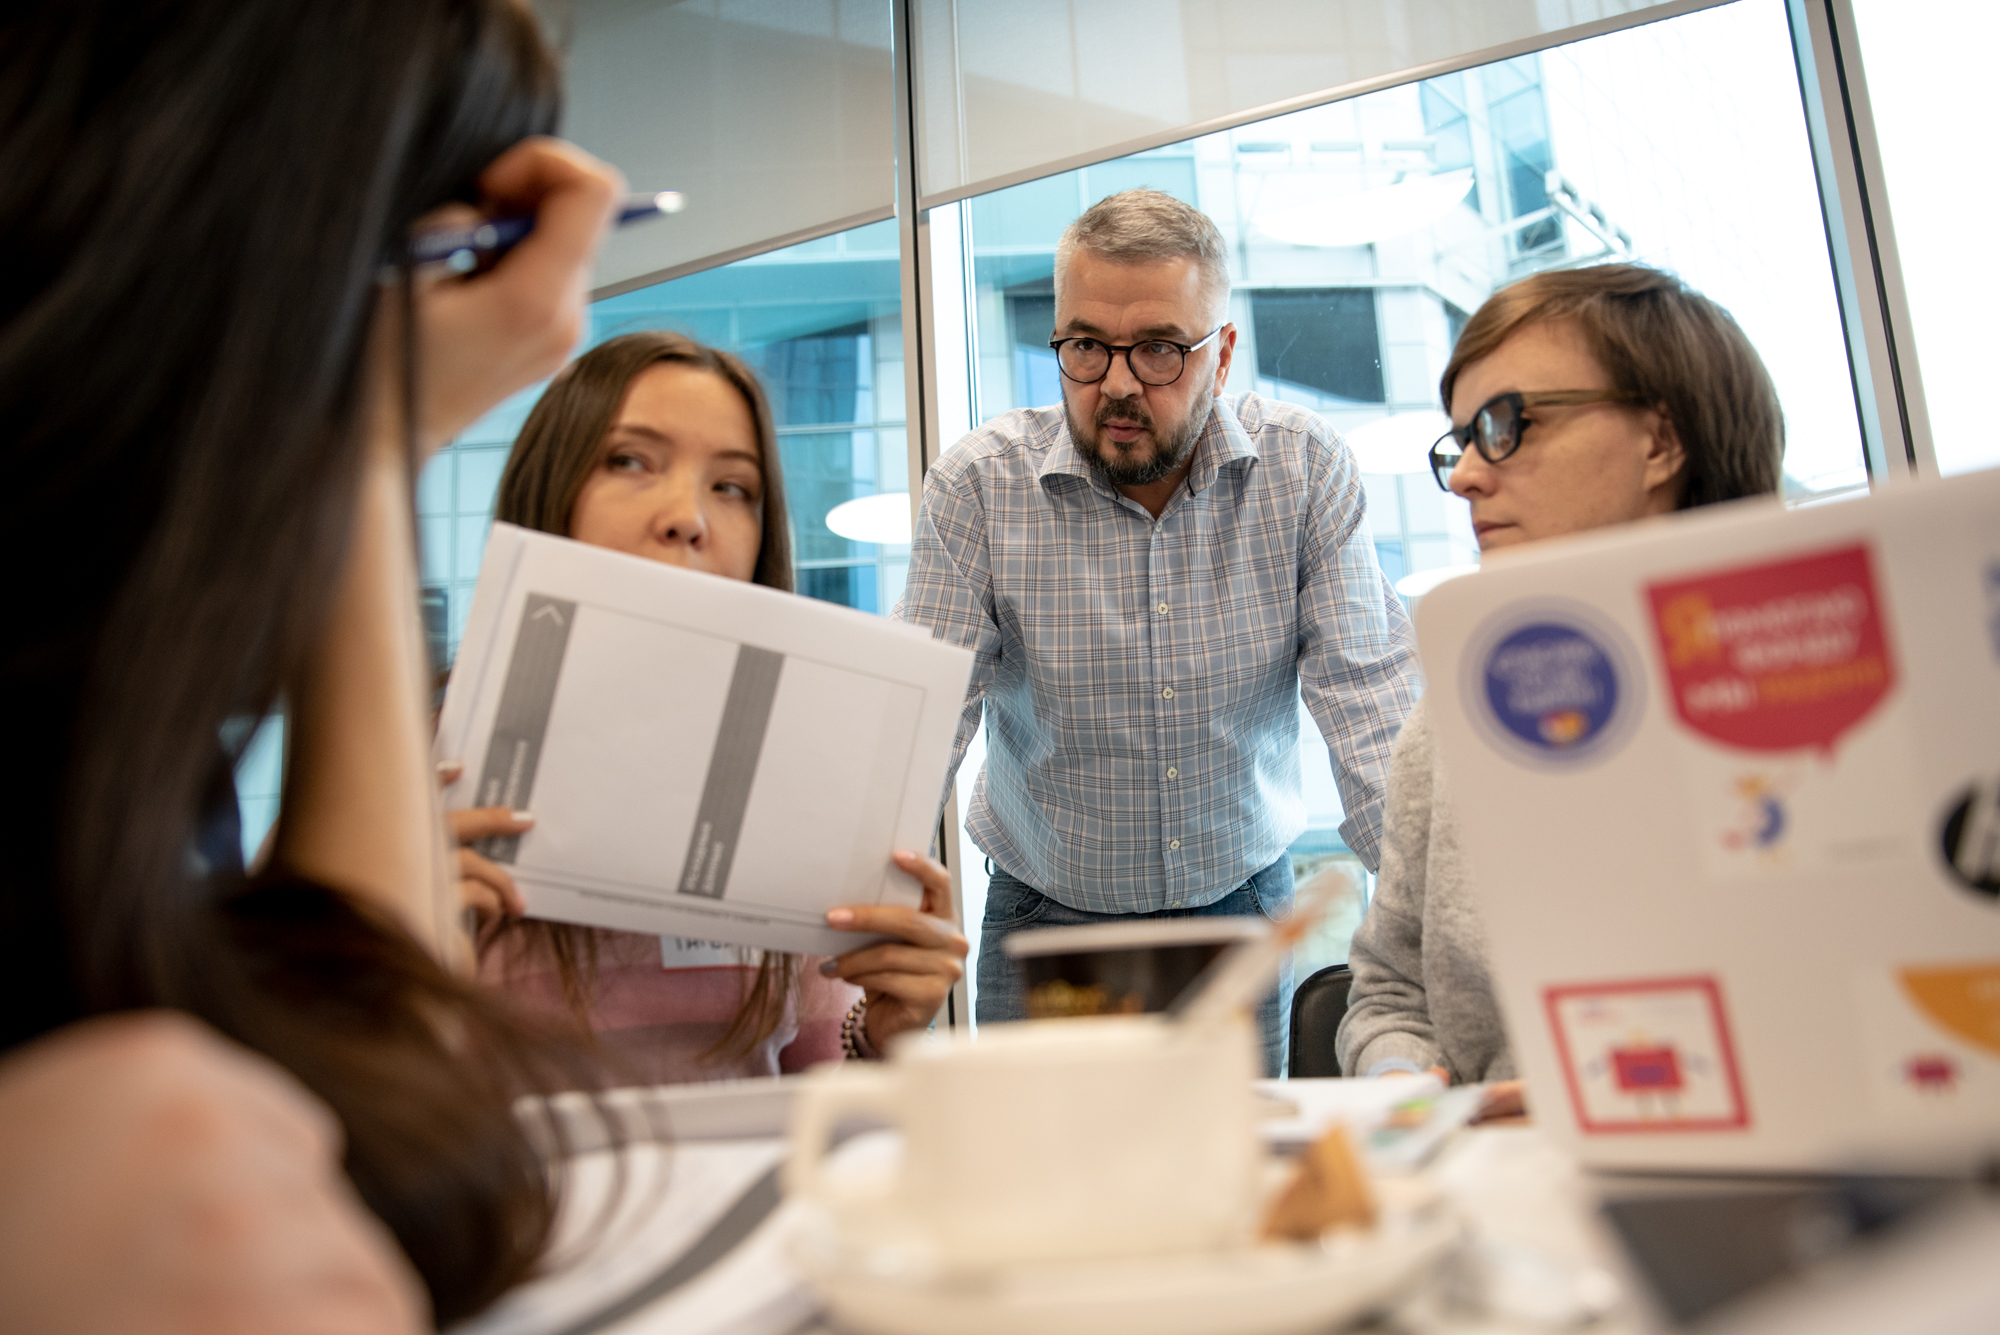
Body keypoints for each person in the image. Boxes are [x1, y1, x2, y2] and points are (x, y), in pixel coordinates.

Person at [0, 2, 629, 1328]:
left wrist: (362, 427)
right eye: (435, 255)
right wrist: (362, 428)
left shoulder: (112, 776)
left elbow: (370, 1120)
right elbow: (378, 1171)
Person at [895, 189, 1421, 1072]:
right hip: (1048, 918)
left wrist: (1445, 931)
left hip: (1237, 911)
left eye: (1160, 350)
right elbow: (914, 734)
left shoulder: (1303, 470)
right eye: (1086, 346)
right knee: (1044, 1192)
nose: (1118, 383)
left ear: (1221, 356)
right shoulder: (979, 488)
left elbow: (1373, 716)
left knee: (1228, 1186)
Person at [454, 331, 968, 1081]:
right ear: (550, 485)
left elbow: (816, 1081)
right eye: (630, 461)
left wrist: (887, 1029)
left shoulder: (792, 780)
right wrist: (381, 957)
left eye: (733, 487)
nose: (687, 516)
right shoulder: (417, 760)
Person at [1335, 264, 1785, 1110]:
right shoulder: (1454, 715)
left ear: (1661, 441)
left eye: (1507, 424)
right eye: (1462, 439)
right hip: (1512, 1189)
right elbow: (1389, 993)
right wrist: (1405, 1079)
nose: (1467, 473)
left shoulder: (1817, 689)